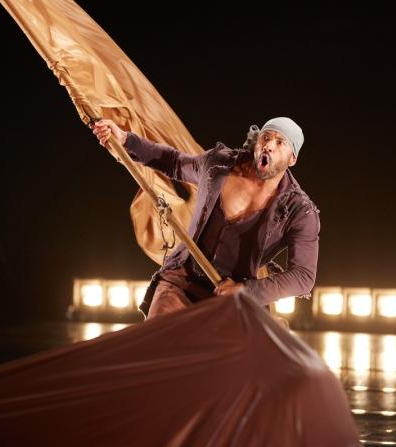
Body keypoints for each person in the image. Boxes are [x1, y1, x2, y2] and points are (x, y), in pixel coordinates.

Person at [92, 117, 320, 319]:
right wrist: (126, 140)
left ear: (292, 159)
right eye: (266, 137)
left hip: (233, 299)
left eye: (280, 143)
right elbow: (173, 162)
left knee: (230, 366)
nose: (269, 146)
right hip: (181, 281)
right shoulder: (219, 164)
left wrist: (246, 291)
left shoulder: (299, 210)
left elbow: (303, 276)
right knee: (156, 342)